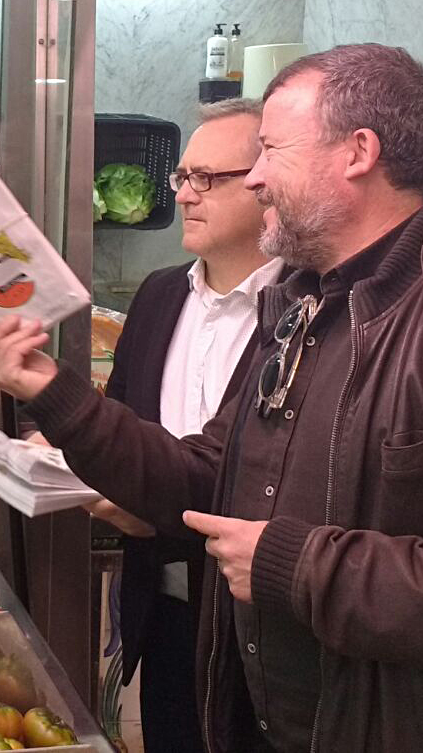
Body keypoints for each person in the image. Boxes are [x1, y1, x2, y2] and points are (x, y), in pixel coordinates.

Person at [0, 44, 423, 751]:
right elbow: (201, 480)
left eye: (271, 152)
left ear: (357, 152)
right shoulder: (302, 312)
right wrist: (52, 392)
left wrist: (300, 567)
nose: (254, 180)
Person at [92, 98, 282, 753]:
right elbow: (123, 420)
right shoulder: (159, 294)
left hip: (257, 628)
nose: (185, 195)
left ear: (267, 187)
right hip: (163, 604)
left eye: (207, 179)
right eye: (181, 177)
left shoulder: (310, 313)